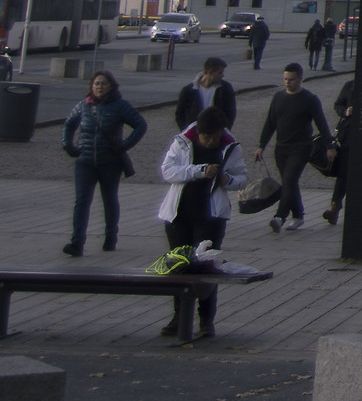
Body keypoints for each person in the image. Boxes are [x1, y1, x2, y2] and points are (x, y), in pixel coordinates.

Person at [156, 106, 247, 340]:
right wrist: (199, 171)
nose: (209, 142)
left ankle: (206, 320)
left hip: (211, 216)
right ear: (198, 132)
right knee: (180, 266)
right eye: (206, 137)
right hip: (180, 214)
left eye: (213, 138)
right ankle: (179, 316)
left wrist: (229, 180)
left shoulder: (230, 146)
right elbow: (168, 171)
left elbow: (242, 178)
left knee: (207, 267)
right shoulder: (183, 141)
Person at [62, 70, 148, 256]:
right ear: (91, 86)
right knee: (81, 201)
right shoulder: (83, 106)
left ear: (111, 86)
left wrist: (125, 145)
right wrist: (67, 144)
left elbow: (140, 125)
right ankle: (77, 243)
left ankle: (110, 237)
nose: (99, 87)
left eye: (103, 84)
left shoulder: (120, 106)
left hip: (110, 161)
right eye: (96, 84)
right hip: (84, 161)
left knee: (109, 199)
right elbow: (69, 124)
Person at [256, 62, 332, 234]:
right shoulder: (278, 97)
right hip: (281, 148)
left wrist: (330, 146)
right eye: (285, 79)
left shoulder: (310, 99)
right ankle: (298, 215)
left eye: (291, 79)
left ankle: (279, 217)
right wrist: (261, 146)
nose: (287, 82)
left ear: (299, 79)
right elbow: (270, 123)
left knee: (289, 180)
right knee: (289, 183)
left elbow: (322, 124)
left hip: (301, 147)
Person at [172, 59, 236, 142]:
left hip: (216, 134)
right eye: (220, 72)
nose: (222, 75)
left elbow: (231, 112)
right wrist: (185, 131)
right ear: (210, 72)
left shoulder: (225, 88)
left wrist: (224, 131)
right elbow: (179, 113)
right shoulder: (188, 90)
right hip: (194, 134)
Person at [322, 76, 356, 226]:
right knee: (343, 172)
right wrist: (345, 111)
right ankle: (335, 207)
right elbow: (338, 105)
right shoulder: (350, 85)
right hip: (348, 136)